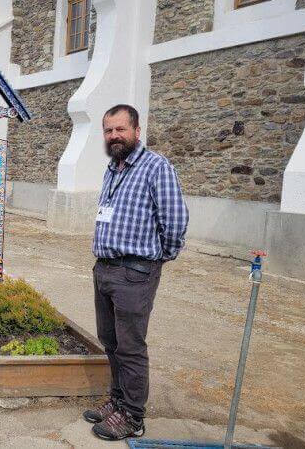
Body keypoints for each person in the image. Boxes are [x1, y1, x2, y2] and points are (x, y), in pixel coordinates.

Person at [83, 104, 188, 441]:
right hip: (106, 269)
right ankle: (116, 401)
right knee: (110, 341)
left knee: (130, 346)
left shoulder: (156, 167)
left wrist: (158, 258)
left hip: (134, 272)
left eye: (120, 130)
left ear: (136, 131)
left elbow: (175, 221)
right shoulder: (113, 169)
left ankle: (132, 415)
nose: (114, 136)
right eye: (109, 130)